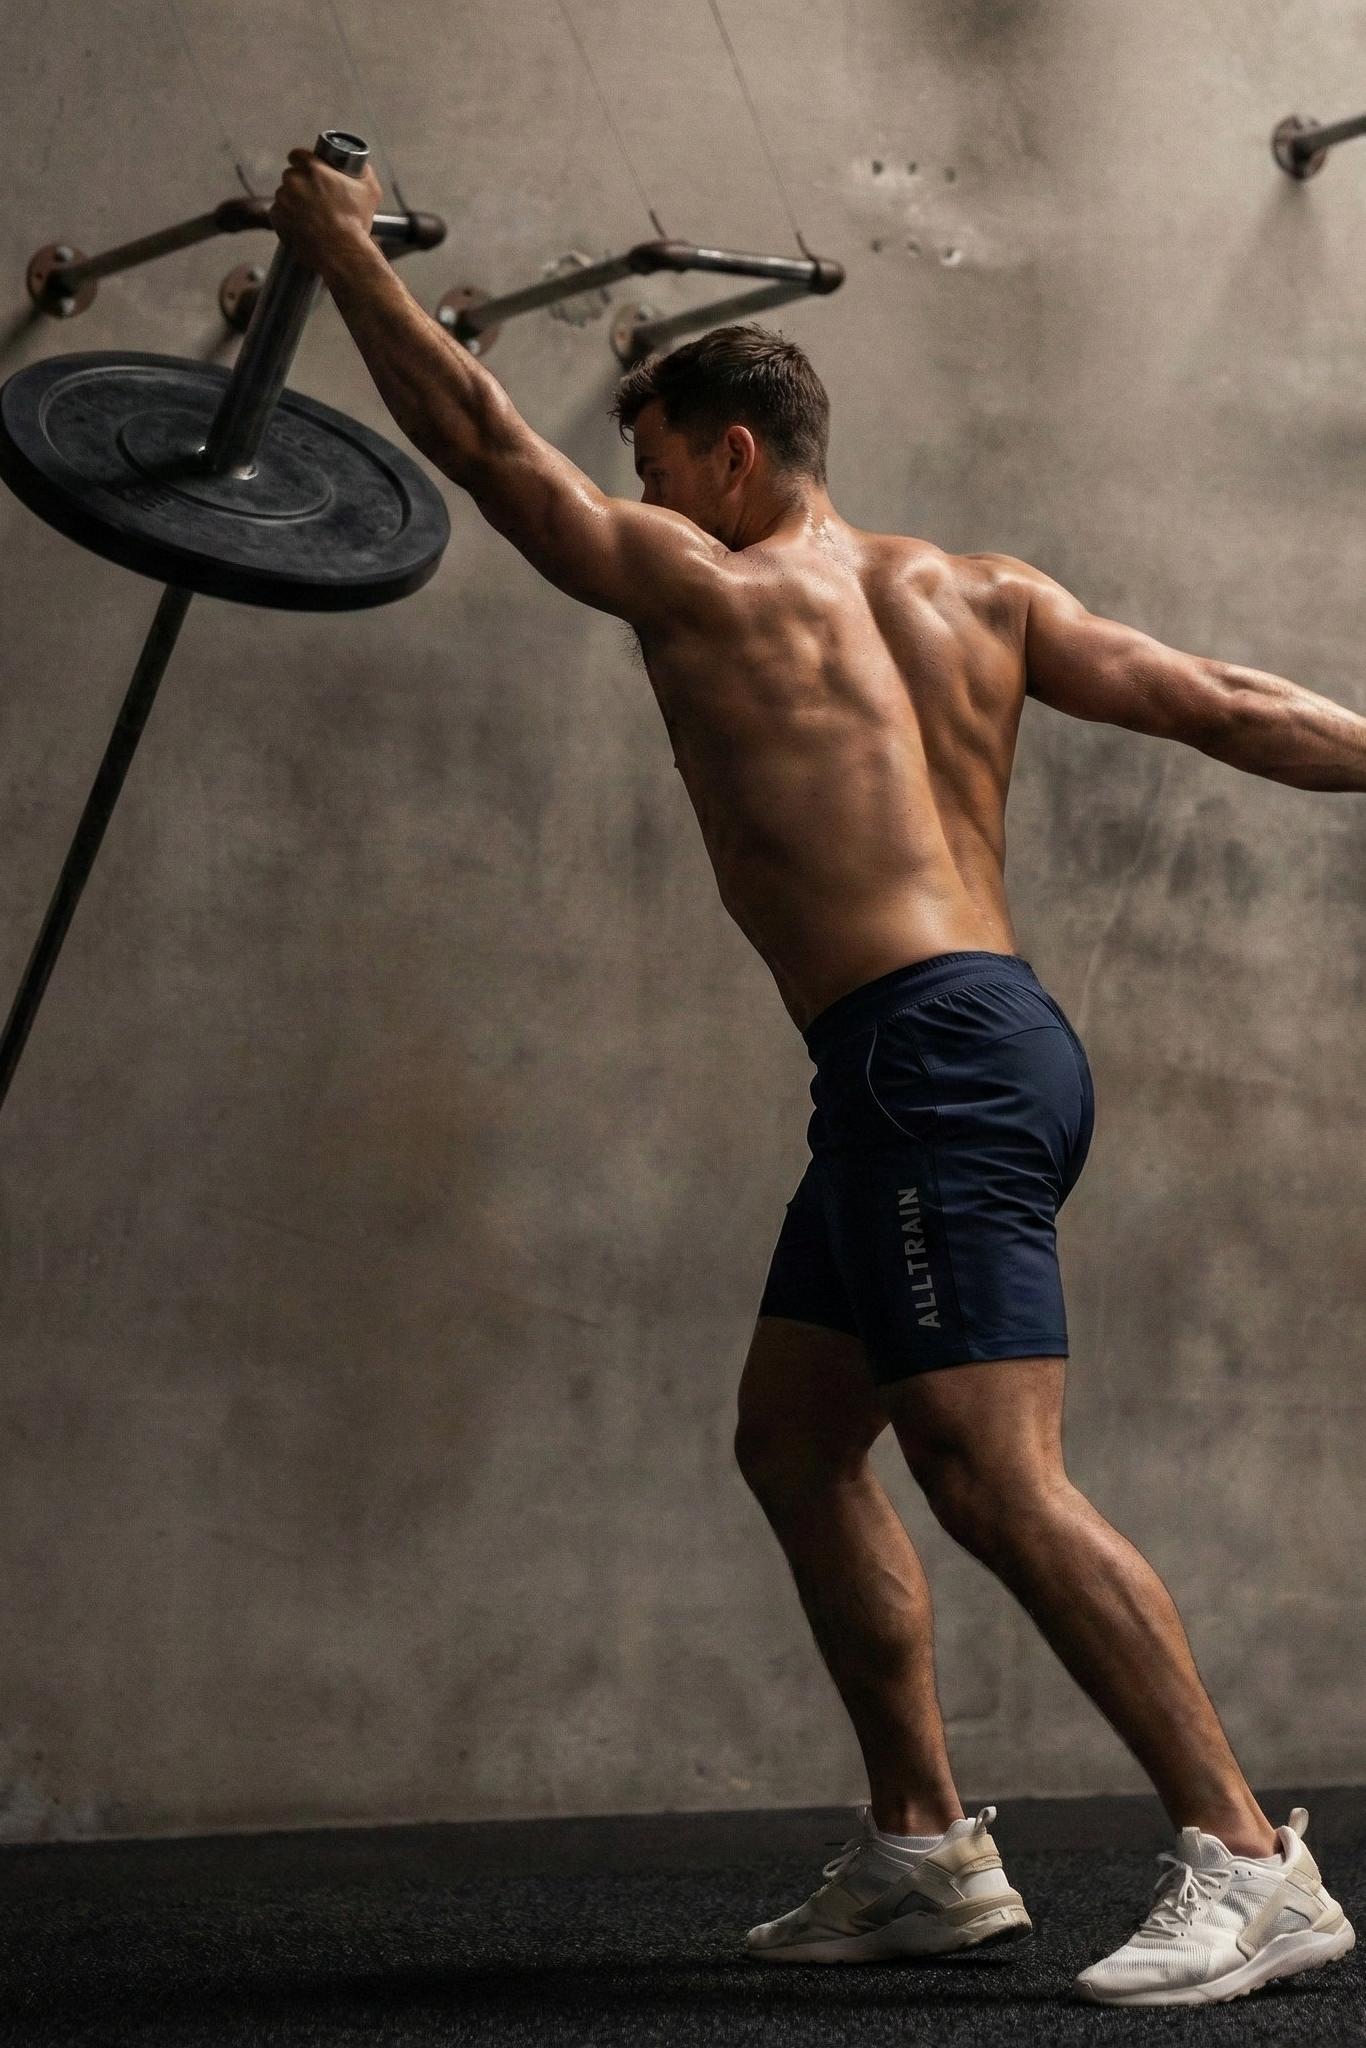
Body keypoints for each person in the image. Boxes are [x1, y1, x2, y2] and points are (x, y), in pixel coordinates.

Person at [270, 145, 1360, 2008]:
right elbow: (1226, 702)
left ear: (729, 457)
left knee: (991, 1478)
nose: (641, 498)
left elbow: (477, 443)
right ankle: (926, 1852)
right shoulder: (983, 591)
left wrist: (338, 249)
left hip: (929, 1058)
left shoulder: (709, 588)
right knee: (793, 1440)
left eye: (652, 464)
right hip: (957, 1047)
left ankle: (1250, 1860)